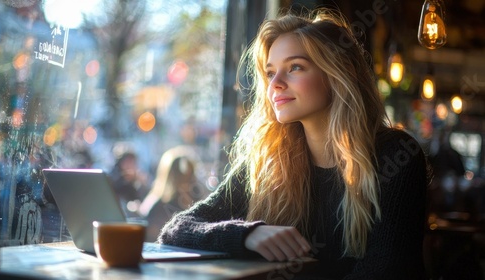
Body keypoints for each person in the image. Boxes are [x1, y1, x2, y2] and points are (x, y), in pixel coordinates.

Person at [158, 8, 428, 279]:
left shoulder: (396, 155)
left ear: (337, 74)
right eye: (271, 72)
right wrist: (247, 235)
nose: (275, 84)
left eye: (295, 67)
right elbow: (176, 230)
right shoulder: (268, 160)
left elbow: (385, 271)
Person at [139, 146, 205, 242]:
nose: (186, 182)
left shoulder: (198, 201)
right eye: (180, 176)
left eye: (190, 176)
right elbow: (152, 238)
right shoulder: (159, 206)